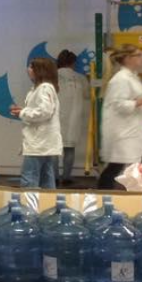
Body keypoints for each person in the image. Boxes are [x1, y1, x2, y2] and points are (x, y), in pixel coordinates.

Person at [98, 46, 142, 189]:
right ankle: (103, 192)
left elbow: (133, 100)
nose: (141, 58)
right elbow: (118, 104)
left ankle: (133, 193)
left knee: (130, 163)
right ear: (127, 58)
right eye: (138, 55)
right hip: (122, 131)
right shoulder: (121, 79)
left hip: (131, 129)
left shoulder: (132, 77)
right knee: (117, 165)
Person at [8, 55, 62, 189]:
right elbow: (42, 110)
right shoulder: (42, 88)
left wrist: (23, 113)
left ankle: (29, 202)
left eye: (31, 67)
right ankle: (49, 201)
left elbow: (44, 111)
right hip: (43, 142)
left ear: (40, 70)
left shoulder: (44, 88)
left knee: (30, 178)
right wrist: (23, 111)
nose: (28, 69)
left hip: (38, 143)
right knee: (46, 179)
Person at [54, 50, 89, 184]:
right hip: (73, 118)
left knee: (54, 150)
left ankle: (54, 178)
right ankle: (66, 177)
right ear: (73, 62)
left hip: (55, 117)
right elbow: (87, 95)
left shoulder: (52, 76)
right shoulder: (80, 78)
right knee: (69, 149)